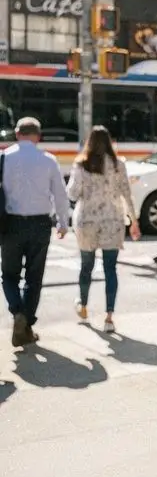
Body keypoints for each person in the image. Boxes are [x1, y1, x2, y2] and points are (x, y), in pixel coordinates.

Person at [0, 116, 70, 347]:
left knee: (9, 275)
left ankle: (17, 312)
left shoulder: (3, 158)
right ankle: (26, 323)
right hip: (40, 224)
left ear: (17, 134)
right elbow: (60, 194)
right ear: (38, 136)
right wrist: (62, 222)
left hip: (10, 224)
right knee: (34, 277)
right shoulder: (48, 160)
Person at [67, 125, 141, 333]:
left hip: (86, 222)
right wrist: (134, 221)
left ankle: (83, 306)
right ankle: (109, 317)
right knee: (110, 269)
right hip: (113, 222)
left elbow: (72, 194)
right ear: (109, 142)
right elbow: (127, 194)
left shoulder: (81, 165)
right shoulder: (118, 165)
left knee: (86, 266)